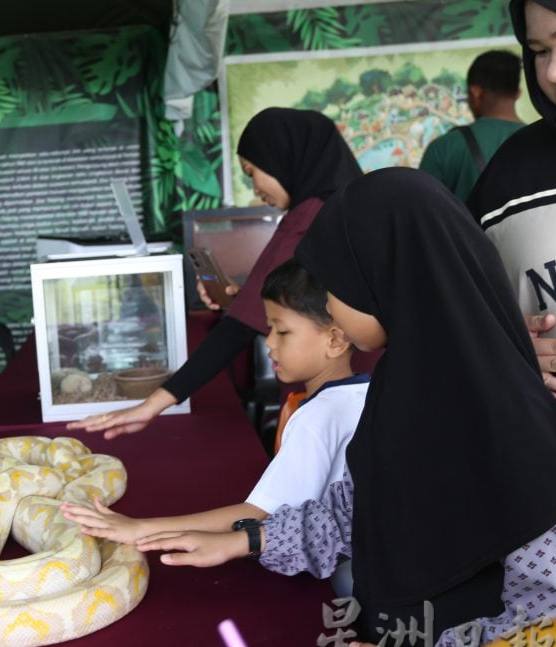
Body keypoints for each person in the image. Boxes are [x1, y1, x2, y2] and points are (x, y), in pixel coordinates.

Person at [134, 169, 556, 647]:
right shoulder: (405, 387)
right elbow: (368, 505)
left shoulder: (512, 422)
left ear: (391, 275)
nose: (327, 306)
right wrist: (249, 540)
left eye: (337, 286)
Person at [61, 258, 368, 596]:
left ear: (336, 340)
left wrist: (142, 528)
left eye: (282, 331)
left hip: (338, 582)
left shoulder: (317, 416)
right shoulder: (368, 394)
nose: (268, 343)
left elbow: (262, 513)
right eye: (268, 329)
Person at [68, 107, 368, 440]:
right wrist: (241, 298)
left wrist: (155, 403)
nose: (254, 188)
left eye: (252, 171)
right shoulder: (349, 207)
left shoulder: (308, 216)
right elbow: (311, 299)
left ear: (283, 157)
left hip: (336, 394)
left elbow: (237, 330)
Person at [466, 0, 556, 437]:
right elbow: (455, 314)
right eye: (538, 51)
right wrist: (503, 350)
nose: (555, 71)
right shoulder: (510, 176)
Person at [419, 50, 524, 200]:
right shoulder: (542, 143)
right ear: (518, 94)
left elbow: (423, 211)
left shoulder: (443, 147)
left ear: (475, 92)